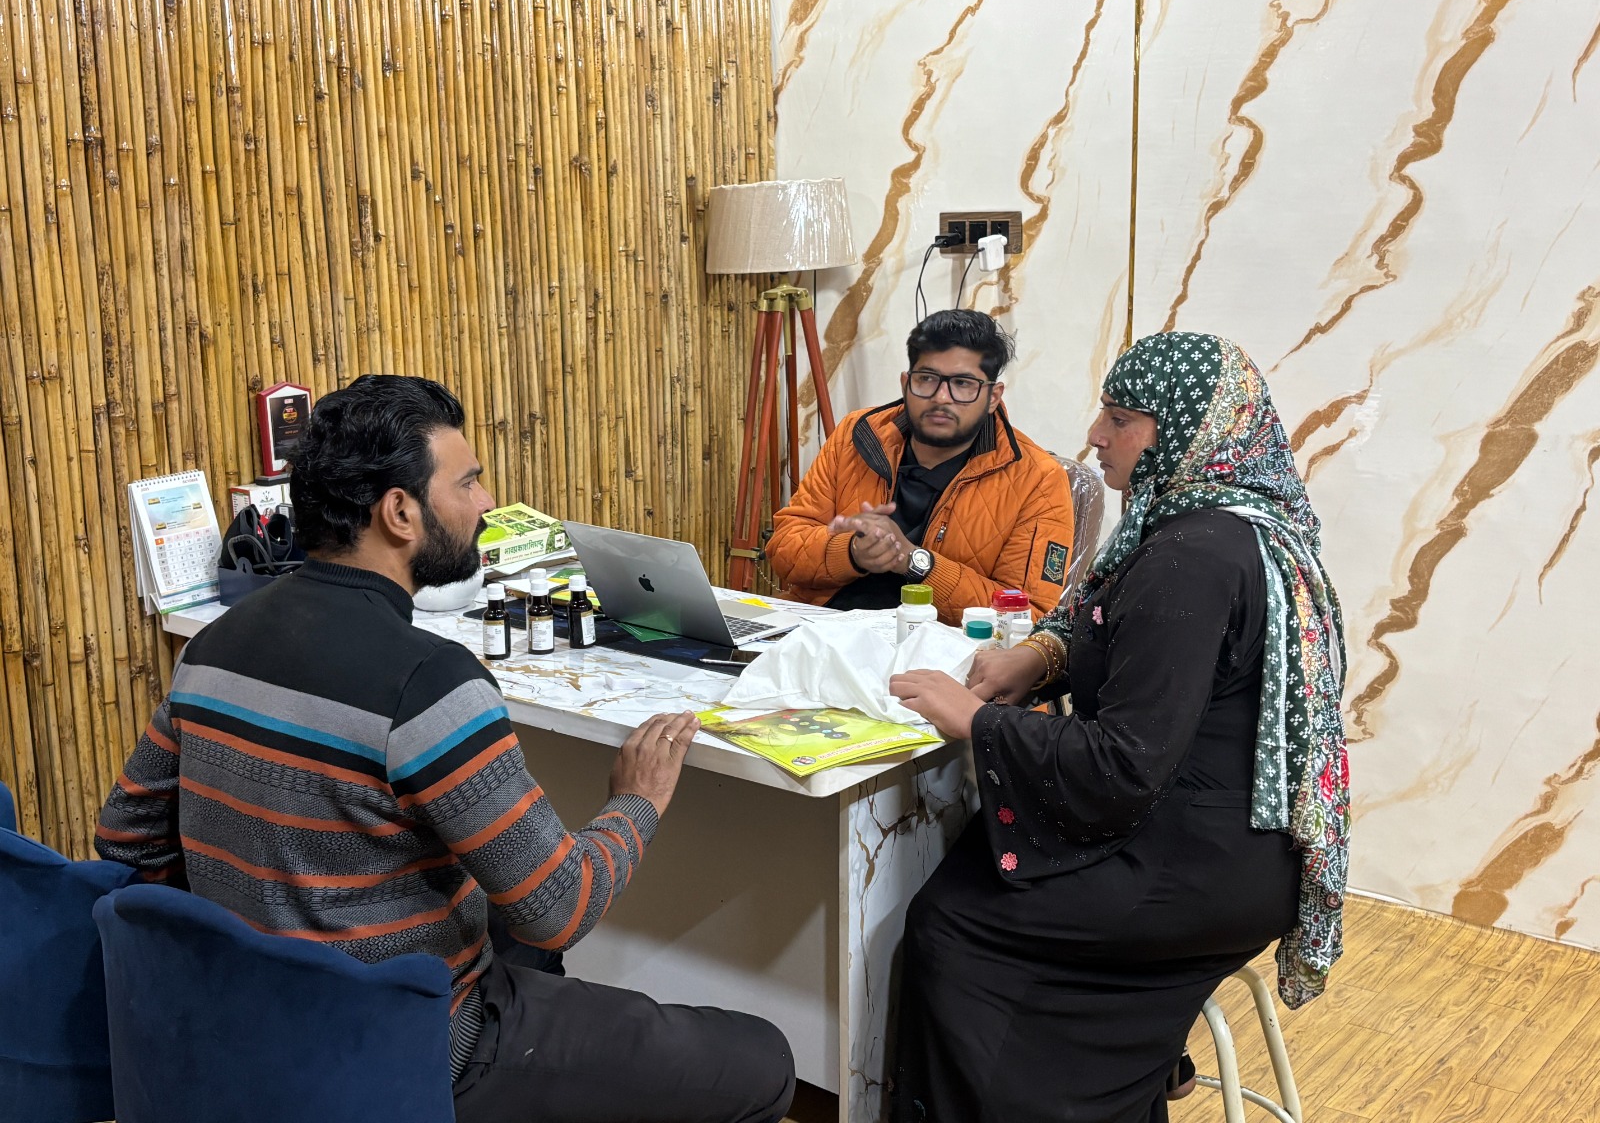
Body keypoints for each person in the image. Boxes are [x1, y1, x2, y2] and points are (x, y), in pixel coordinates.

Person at [96, 375, 795, 1123]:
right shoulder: (428, 685)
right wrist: (638, 799)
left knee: (513, 937)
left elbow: (125, 837)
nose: (487, 503)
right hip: (414, 1048)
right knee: (761, 1061)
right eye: (469, 481)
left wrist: (268, 925)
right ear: (400, 512)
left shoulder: (211, 647)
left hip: (248, 1031)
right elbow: (560, 908)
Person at [886, 333, 1349, 1122]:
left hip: (1196, 872)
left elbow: (1126, 764)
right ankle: (1129, 1068)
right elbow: (1122, 640)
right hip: (1240, 849)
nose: (1096, 435)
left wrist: (976, 724)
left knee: (950, 924)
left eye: (1121, 418)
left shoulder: (1191, 557)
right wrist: (1040, 657)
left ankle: (1079, 1081)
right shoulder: (1233, 525)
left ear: (1184, 432)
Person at [766, 309, 1076, 625]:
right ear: (906, 383)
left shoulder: (1039, 479)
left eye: (963, 383)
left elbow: (1027, 617)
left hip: (938, 658)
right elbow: (784, 550)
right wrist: (852, 552)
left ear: (993, 396)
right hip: (820, 630)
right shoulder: (856, 434)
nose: (941, 397)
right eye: (926, 379)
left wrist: (915, 562)